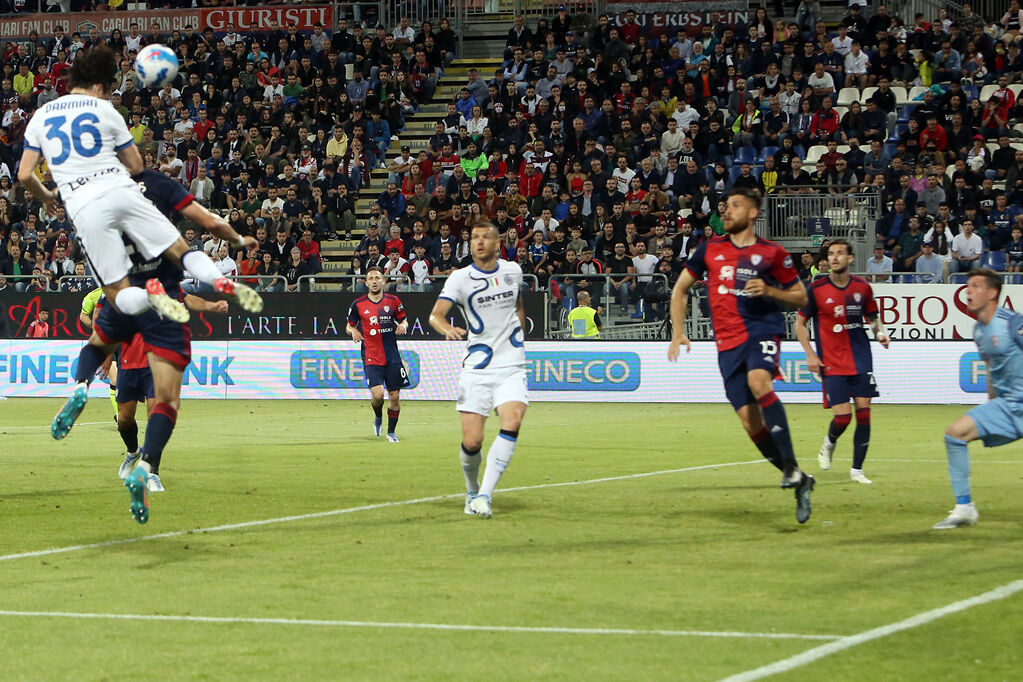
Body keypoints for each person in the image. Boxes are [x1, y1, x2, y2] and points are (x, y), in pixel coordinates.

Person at [17, 46, 260, 331]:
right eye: (108, 90)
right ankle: (216, 278)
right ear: (99, 86)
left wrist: (46, 197)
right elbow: (135, 166)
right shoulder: (104, 110)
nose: (108, 96)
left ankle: (148, 296)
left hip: (85, 208)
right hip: (121, 191)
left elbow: (24, 175)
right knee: (180, 249)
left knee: (117, 294)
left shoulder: (41, 115)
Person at [62, 170, 256, 524]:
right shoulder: (162, 232)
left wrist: (210, 304)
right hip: (137, 350)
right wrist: (222, 276)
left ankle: (147, 465)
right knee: (134, 417)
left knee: (144, 396)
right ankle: (138, 456)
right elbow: (197, 247)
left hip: (133, 324)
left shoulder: (106, 239)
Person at [667, 188, 816, 524]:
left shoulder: (772, 253)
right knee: (750, 422)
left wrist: (771, 291)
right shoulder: (710, 249)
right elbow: (680, 289)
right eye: (726, 205)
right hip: (727, 343)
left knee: (758, 380)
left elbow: (801, 297)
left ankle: (790, 465)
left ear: (752, 213)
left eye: (735, 205)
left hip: (762, 330)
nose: (727, 211)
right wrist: (678, 332)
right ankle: (800, 478)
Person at [428, 222, 528, 520]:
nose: (479, 242)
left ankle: (485, 495)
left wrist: (519, 333)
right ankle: (471, 489)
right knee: (473, 441)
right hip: (478, 368)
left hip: (511, 364)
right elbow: (436, 315)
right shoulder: (460, 278)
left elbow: (518, 304)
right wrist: (446, 328)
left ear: (498, 242)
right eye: (474, 238)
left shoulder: (513, 271)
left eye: (486, 237)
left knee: (513, 420)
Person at [795, 239, 891, 485]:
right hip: (831, 361)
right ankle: (829, 443)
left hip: (860, 358)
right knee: (843, 418)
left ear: (850, 258)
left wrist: (879, 332)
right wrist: (810, 354)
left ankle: (857, 470)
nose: (834, 257)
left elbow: (873, 316)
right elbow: (800, 324)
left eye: (840, 253)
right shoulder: (816, 289)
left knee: (865, 414)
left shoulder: (862, 287)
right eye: (831, 254)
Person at [934, 269, 1023, 529]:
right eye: (967, 285)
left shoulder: (1013, 323)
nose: (968, 291)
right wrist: (991, 405)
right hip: (1007, 406)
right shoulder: (979, 330)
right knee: (955, 434)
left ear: (993, 293)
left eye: (975, 286)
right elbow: (991, 371)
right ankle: (964, 509)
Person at [115, 292, 228, 482]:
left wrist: (210, 305)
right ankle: (133, 452)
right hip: (128, 361)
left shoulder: (165, 285)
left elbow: (188, 299)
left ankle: (152, 473)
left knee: (155, 416)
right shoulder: (124, 287)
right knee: (124, 419)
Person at [346, 267, 410, 443]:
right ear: (366, 283)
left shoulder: (393, 300)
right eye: (371, 278)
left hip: (392, 357)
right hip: (371, 356)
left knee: (395, 396)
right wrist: (353, 331)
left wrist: (403, 325)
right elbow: (349, 325)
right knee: (378, 395)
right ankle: (378, 416)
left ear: (383, 281)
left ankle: (391, 432)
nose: (374, 281)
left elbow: (403, 319)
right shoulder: (358, 304)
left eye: (377, 278)